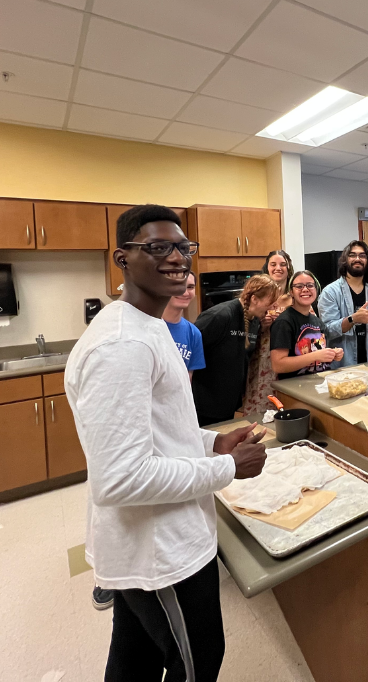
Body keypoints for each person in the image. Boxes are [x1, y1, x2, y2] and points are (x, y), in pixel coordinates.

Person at [64, 203, 266, 680]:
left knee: (134, 659)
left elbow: (165, 430)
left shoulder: (150, 327)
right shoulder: (122, 346)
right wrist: (228, 468)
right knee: (199, 658)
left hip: (153, 543)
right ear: (122, 258)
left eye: (183, 247)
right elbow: (120, 479)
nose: (177, 257)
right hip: (160, 553)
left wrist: (212, 444)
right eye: (157, 247)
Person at [191, 274, 275, 427]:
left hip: (228, 402)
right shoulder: (220, 316)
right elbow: (190, 349)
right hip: (204, 402)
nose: (271, 308)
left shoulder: (254, 320)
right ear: (255, 299)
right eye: (270, 302)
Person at [318, 240, 368, 367]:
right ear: (345, 260)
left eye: (362, 255)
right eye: (352, 255)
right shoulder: (330, 292)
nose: (357, 259)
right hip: (341, 366)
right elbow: (327, 330)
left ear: (367, 261)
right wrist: (352, 319)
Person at [271, 271, 344, 378]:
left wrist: (333, 354)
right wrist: (315, 356)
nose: (305, 289)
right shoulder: (284, 322)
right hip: (293, 388)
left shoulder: (318, 322)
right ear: (291, 292)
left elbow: (319, 355)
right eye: (299, 286)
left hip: (318, 383)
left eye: (310, 285)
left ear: (316, 289)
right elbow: (278, 365)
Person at [242, 270, 290, 419]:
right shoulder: (258, 303)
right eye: (273, 264)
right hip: (261, 358)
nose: (278, 268)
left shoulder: (293, 300)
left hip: (284, 358)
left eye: (283, 264)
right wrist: (262, 326)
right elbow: (249, 337)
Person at [162, 271, 205, 378]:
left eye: (190, 287)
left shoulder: (194, 334)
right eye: (178, 286)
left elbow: (187, 380)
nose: (185, 293)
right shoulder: (147, 326)